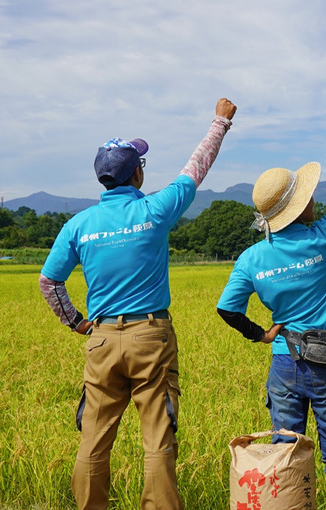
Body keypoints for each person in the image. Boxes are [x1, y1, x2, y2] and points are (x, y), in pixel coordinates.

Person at [38, 98, 237, 510]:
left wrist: (76, 322)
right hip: (151, 337)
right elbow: (195, 169)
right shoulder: (155, 209)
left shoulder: (78, 225)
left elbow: (49, 281)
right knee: (157, 440)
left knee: (93, 439)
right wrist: (220, 122)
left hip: (102, 340)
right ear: (137, 172)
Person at [216, 115, 326, 510]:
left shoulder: (252, 259)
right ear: (299, 206)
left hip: (284, 365)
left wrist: (261, 334)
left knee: (284, 452)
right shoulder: (325, 236)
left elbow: (227, 309)